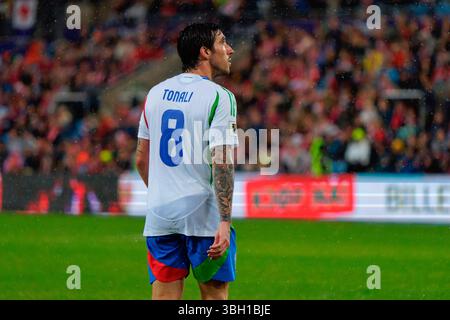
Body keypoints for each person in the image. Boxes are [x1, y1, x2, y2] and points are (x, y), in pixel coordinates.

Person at [135, 22, 238, 300]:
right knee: (215, 297)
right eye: (223, 43)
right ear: (205, 52)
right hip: (204, 218)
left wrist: (162, 194)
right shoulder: (220, 97)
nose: (230, 49)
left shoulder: (155, 93)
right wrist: (225, 221)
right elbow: (223, 162)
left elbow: (141, 159)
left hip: (161, 216)